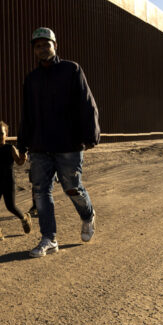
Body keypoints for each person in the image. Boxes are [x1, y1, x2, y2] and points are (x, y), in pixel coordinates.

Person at [17, 27, 100, 258]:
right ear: (34, 50)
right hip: (40, 146)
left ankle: (88, 216)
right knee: (41, 192)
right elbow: (28, 114)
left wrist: (91, 135)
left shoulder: (71, 70)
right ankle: (49, 239)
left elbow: (87, 103)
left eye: (46, 44)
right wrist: (22, 145)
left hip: (68, 143)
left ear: (55, 45)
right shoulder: (31, 79)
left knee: (72, 188)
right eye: (38, 46)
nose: (42, 49)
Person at [0, 121, 32, 242]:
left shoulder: (10, 148)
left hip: (9, 182)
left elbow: (19, 162)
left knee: (11, 206)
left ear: (6, 135)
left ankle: (24, 218)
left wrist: (23, 158)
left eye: (1, 133)